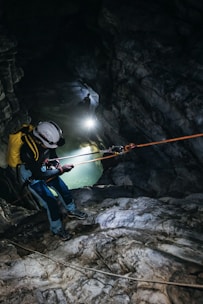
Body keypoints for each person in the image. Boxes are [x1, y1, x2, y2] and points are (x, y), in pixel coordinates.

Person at [19, 121, 87, 241]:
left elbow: (52, 152)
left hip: (44, 168)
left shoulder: (47, 143)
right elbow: (39, 175)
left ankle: (72, 210)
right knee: (51, 202)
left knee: (63, 188)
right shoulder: (27, 151)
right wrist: (61, 170)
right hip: (33, 176)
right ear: (40, 140)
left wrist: (55, 162)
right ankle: (56, 229)